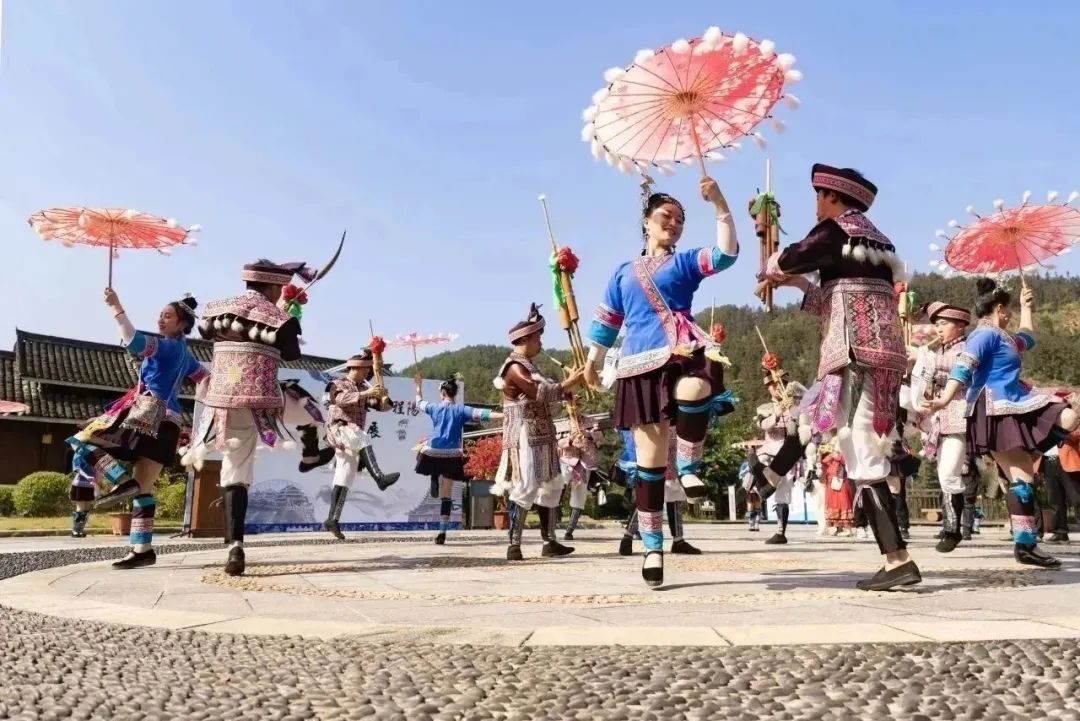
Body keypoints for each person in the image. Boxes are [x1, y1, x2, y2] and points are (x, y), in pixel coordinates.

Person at [754, 164, 918, 591]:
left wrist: (771, 261)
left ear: (832, 197)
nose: (815, 205)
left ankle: (898, 560)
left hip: (854, 356)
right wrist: (796, 285)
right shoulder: (876, 242)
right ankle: (769, 476)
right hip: (878, 355)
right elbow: (835, 299)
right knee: (825, 423)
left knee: (862, 452)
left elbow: (790, 257)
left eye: (818, 197)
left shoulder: (835, 231)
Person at [584, 175, 738, 587]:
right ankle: (653, 548)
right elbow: (606, 323)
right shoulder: (622, 273)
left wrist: (720, 204)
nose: (674, 224)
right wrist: (592, 362)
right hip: (638, 365)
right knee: (649, 468)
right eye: (667, 216)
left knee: (697, 387)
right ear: (646, 222)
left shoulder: (684, 263)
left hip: (681, 350)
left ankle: (688, 466)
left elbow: (726, 254)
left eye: (681, 219)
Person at [925, 278, 1079, 567]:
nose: (1011, 315)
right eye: (1009, 310)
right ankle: (1026, 546)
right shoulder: (983, 334)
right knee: (1024, 478)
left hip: (1014, 404)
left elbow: (1028, 337)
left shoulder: (1004, 337)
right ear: (999, 308)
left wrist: (1026, 307)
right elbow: (964, 366)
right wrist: (944, 399)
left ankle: (1025, 545)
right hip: (995, 408)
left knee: (1029, 471)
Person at [185, 259, 321, 576]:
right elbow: (291, 354)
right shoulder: (279, 317)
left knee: (235, 470)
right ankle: (312, 454)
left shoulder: (217, 309)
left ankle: (235, 547)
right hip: (262, 398)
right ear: (273, 287)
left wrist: (282, 312)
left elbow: (208, 333)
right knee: (312, 412)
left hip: (221, 397)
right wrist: (288, 315)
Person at [68, 289, 207, 567]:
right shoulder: (186, 355)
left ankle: (121, 481)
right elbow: (204, 377)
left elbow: (133, 340)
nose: (160, 319)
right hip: (169, 425)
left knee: (81, 441)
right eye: (160, 315)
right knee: (143, 489)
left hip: (145, 418)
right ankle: (142, 549)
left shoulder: (167, 347)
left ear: (182, 324)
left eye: (168, 316)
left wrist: (116, 305)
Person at [491, 303, 585, 560]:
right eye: (537, 338)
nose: (541, 342)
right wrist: (569, 383)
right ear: (524, 340)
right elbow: (539, 392)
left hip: (543, 432)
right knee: (527, 484)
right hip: (525, 433)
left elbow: (547, 393)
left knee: (552, 485)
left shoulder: (529, 366)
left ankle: (550, 541)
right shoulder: (514, 367)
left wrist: (567, 393)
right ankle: (514, 544)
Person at [321, 350, 402, 540]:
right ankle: (379, 478)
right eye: (364, 370)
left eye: (367, 370)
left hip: (350, 437)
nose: (367, 373)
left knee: (345, 476)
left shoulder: (363, 388)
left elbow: (382, 407)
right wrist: (366, 392)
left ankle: (332, 519)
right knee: (363, 437)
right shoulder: (337, 384)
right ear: (354, 368)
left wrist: (384, 397)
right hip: (340, 428)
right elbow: (340, 400)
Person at [910, 301, 972, 552]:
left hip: (960, 417)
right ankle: (951, 528)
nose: (938, 328)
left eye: (944, 323)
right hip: (942, 420)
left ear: (960, 326)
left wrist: (924, 358)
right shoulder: (940, 351)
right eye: (936, 324)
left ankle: (953, 529)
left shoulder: (966, 349)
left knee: (949, 473)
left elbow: (960, 370)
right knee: (945, 474)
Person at [415, 373, 501, 545]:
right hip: (452, 454)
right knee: (446, 494)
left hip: (433, 452)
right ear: (454, 394)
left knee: (421, 446)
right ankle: (442, 532)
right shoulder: (461, 410)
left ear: (443, 393)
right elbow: (483, 414)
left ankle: (434, 475)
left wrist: (418, 386)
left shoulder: (434, 407)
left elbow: (419, 403)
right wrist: (506, 415)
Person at [618, 429, 703, 556]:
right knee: (647, 497)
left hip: (673, 456)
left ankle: (678, 540)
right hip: (653, 448)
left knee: (675, 496)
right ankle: (628, 536)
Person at [755, 372, 808, 545]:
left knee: (783, 493)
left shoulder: (796, 407)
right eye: (773, 385)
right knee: (758, 476)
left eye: (781, 383)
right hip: (769, 453)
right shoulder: (764, 408)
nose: (777, 387)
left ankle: (780, 532)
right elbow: (764, 425)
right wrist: (778, 411)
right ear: (768, 388)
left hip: (787, 455)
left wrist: (794, 413)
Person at [560, 418, 603, 541]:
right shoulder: (563, 423)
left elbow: (600, 438)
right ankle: (549, 527)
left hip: (585, 463)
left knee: (579, 498)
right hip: (566, 461)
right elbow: (556, 442)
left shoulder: (592, 422)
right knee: (556, 492)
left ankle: (569, 530)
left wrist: (587, 434)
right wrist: (569, 440)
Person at [821, 445, 855, 536]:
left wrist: (837, 456)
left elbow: (846, 461)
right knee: (833, 504)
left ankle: (847, 528)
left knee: (843, 502)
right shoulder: (831, 453)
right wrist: (827, 453)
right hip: (831, 481)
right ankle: (837, 526)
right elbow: (824, 461)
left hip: (841, 480)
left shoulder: (844, 451)